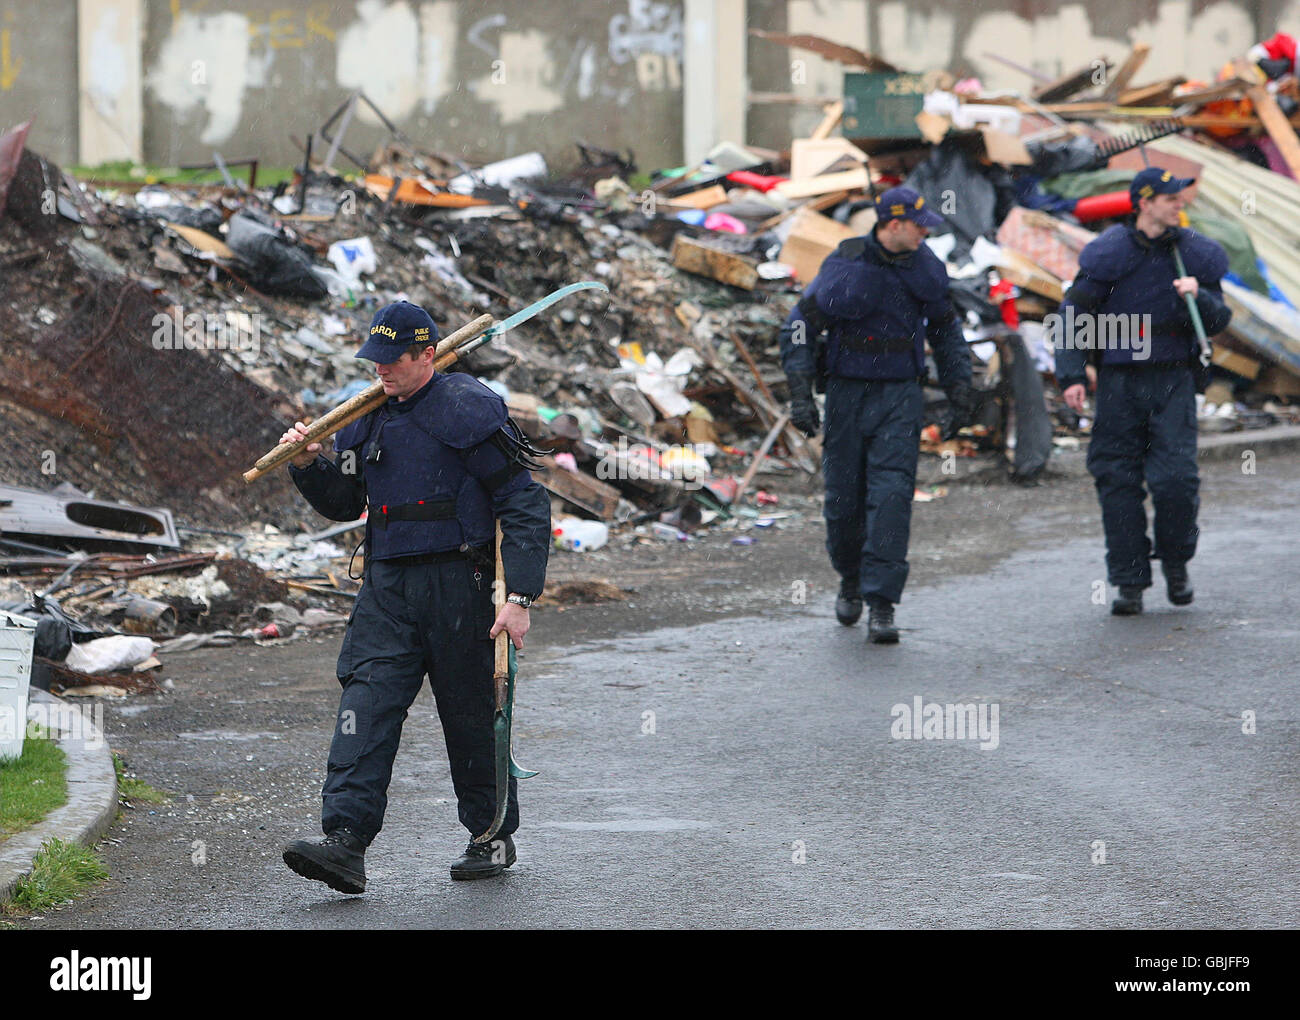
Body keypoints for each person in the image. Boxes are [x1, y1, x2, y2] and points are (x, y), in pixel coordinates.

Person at [278, 300, 551, 891]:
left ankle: (490, 835)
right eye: (374, 359)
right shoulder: (366, 416)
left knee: (470, 715)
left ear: (428, 355)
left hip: (463, 584)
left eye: (392, 360)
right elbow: (345, 503)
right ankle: (344, 842)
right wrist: (308, 464)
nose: (381, 370)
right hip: (386, 588)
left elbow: (523, 503)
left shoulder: (469, 411)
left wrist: (521, 597)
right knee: (366, 705)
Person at [780, 186, 974, 643]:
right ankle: (850, 578)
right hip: (848, 394)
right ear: (893, 225)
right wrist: (800, 393)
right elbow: (801, 324)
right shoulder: (846, 264)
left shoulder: (925, 269)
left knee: (891, 497)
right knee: (844, 501)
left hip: (900, 395)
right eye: (919, 223)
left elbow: (947, 332)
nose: (927, 231)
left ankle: (882, 602)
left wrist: (960, 390)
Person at [1056, 167, 1231, 615]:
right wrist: (1072, 374)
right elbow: (1075, 314)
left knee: (1176, 481)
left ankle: (1176, 563)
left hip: (1173, 379)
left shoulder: (1192, 255)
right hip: (1119, 382)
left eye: (1180, 197)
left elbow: (1217, 321)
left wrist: (1200, 296)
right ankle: (1129, 580)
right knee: (1117, 480)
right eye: (1170, 198)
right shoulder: (1109, 254)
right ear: (1145, 202)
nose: (1179, 204)